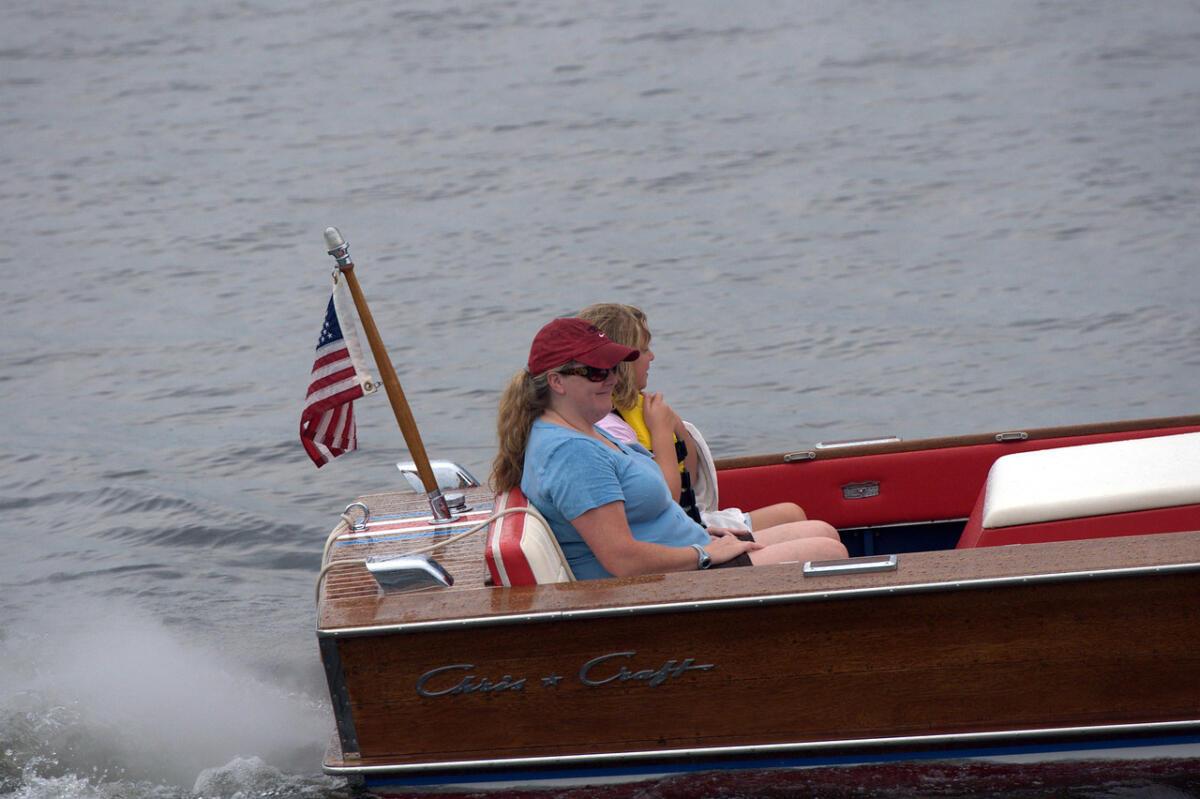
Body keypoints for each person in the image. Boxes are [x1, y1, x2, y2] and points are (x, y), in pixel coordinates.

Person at [490, 316, 847, 580]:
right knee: (827, 551)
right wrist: (704, 554)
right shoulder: (573, 454)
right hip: (661, 585)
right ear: (557, 382)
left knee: (822, 531)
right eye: (596, 372)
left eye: (613, 367)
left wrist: (701, 539)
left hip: (684, 554)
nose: (612, 378)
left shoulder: (582, 428)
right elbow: (622, 560)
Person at [577, 303, 808, 532]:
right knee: (805, 526)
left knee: (791, 513)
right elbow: (664, 500)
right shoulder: (609, 428)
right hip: (675, 534)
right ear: (624, 362)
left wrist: (674, 424)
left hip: (689, 521)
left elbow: (691, 474)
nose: (652, 357)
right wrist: (661, 432)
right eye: (644, 350)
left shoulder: (641, 408)